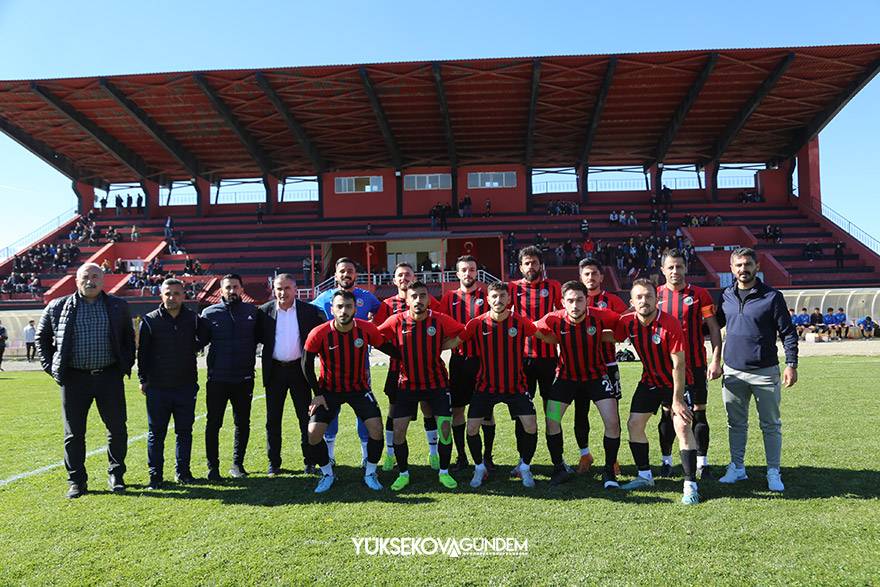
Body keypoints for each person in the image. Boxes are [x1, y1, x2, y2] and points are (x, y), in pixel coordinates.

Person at [36, 263, 135, 498]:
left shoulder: (118, 306)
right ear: (76, 280)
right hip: (74, 379)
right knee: (74, 434)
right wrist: (53, 369)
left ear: (103, 280)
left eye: (95, 276)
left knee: (117, 429)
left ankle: (116, 475)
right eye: (85, 277)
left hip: (109, 377)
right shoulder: (57, 306)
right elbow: (42, 339)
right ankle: (77, 481)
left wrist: (124, 365)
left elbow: (128, 339)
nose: (90, 281)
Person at [716, 247, 798, 492]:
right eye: (738, 265)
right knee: (735, 423)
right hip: (732, 372)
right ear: (731, 269)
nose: (743, 269)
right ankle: (737, 468)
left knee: (770, 424)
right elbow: (712, 327)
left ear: (757, 267)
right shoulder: (725, 296)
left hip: (765, 371)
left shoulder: (772, 297)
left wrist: (791, 364)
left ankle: (773, 471)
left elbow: (788, 333)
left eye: (747, 264)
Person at [613, 279, 701, 505]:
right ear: (632, 302)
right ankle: (644, 476)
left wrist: (678, 400)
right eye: (639, 297)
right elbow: (609, 332)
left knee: (681, 425)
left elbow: (678, 365)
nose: (644, 301)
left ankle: (690, 484)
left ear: (656, 299)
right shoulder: (628, 322)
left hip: (676, 381)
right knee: (634, 424)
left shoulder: (670, 324)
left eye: (648, 296)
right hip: (649, 380)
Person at [449, 282, 542, 489]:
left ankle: (525, 467)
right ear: (488, 299)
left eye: (502, 296)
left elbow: (541, 334)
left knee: (531, 425)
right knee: (472, 428)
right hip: (485, 387)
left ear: (509, 299)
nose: (498, 300)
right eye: (494, 296)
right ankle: (479, 467)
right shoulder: (476, 323)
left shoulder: (520, 322)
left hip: (515, 386)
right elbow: (456, 341)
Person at [303, 290, 393, 493]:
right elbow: (306, 364)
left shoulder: (366, 329)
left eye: (348, 306)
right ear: (332, 309)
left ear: (355, 308)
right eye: (340, 306)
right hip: (328, 391)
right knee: (313, 433)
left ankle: (370, 472)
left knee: (376, 429)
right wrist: (317, 393)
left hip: (359, 390)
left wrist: (410, 355)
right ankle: (327, 473)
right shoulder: (319, 333)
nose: (344, 311)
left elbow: (386, 346)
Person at [377, 281, 464, 490]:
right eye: (414, 296)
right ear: (407, 299)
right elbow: (375, 336)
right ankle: (404, 473)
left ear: (428, 298)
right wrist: (396, 352)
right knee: (398, 431)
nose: (418, 300)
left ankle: (444, 472)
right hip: (406, 385)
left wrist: (444, 345)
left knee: (444, 429)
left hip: (437, 385)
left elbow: (463, 332)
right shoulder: (396, 320)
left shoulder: (440, 320)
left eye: (422, 295)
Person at [534, 281, 622, 488]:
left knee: (613, 422)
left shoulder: (601, 316)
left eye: (580, 300)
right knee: (551, 421)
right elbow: (532, 328)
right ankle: (559, 467)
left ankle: (609, 471)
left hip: (596, 377)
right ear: (563, 302)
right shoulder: (554, 318)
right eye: (570, 301)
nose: (575, 305)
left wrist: (608, 336)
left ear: (587, 300)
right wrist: (551, 340)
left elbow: (622, 325)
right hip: (565, 378)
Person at [655, 250, 722, 479]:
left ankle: (703, 464)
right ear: (662, 270)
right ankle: (666, 462)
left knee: (699, 414)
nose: (675, 271)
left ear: (686, 268)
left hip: (695, 365)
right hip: (667, 369)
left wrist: (715, 359)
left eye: (679, 267)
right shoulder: (656, 296)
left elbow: (713, 328)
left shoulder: (699, 294)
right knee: (667, 414)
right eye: (670, 267)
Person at [372, 263, 442, 472]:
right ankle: (391, 455)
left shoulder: (430, 301)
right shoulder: (386, 305)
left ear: (414, 278)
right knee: (394, 412)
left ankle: (434, 454)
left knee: (428, 409)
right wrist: (397, 353)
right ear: (393, 280)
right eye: (399, 275)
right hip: (397, 370)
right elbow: (377, 334)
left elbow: (439, 326)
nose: (403, 278)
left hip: (427, 369)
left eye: (407, 275)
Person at [311, 258, 381, 466]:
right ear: (336, 275)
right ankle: (329, 455)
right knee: (330, 413)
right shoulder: (323, 298)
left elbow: (382, 313)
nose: (346, 274)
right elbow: (306, 316)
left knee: (364, 413)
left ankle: (366, 455)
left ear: (355, 275)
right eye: (342, 271)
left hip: (361, 367)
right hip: (332, 366)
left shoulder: (367, 297)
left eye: (350, 270)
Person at [257, 273, 327, 476]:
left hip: (300, 371)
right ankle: (274, 463)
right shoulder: (264, 312)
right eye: (279, 288)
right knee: (273, 420)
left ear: (295, 290)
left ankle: (310, 461)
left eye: (287, 288)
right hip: (275, 371)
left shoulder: (309, 311)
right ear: (273, 290)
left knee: (305, 418)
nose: (282, 292)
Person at [137, 278, 202, 488]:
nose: (172, 297)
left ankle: (183, 473)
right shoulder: (149, 320)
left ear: (184, 296)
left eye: (176, 293)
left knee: (184, 432)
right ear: (161, 295)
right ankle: (155, 476)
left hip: (185, 386)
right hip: (158, 388)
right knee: (156, 433)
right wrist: (143, 380)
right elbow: (143, 354)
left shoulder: (193, 319)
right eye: (168, 293)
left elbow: (205, 337)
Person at [198, 274, 260, 481]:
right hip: (217, 379)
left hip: (243, 379)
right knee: (213, 423)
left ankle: (237, 464)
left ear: (242, 289)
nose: (232, 291)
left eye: (235, 287)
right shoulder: (208, 313)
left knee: (242, 423)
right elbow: (197, 343)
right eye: (228, 287)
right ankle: (212, 467)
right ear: (221, 290)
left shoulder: (253, 312)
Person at [508, 246, 562, 476]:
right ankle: (523, 461)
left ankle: (558, 461)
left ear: (541, 265)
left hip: (550, 359)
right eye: (527, 263)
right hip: (522, 361)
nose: (531, 267)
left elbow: (562, 313)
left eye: (534, 263)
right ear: (520, 267)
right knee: (523, 414)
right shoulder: (512, 288)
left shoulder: (554, 287)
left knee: (553, 413)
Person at [439, 255, 494, 472]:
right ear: (457, 273)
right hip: (459, 361)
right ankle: (461, 457)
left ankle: (488, 457)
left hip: (485, 362)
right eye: (464, 269)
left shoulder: (488, 295)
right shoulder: (448, 298)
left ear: (476, 272)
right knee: (458, 410)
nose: (468, 273)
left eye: (472, 269)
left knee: (487, 412)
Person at [578, 258, 629, 473]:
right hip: (578, 366)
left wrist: (599, 335)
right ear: (581, 277)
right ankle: (584, 455)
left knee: (612, 415)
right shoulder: (575, 299)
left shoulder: (613, 301)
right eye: (586, 274)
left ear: (601, 276)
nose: (590, 278)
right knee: (581, 413)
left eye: (594, 274)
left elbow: (624, 328)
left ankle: (613, 458)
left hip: (607, 365)